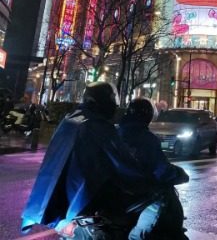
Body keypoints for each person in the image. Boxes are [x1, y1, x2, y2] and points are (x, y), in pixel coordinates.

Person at [21, 82, 157, 239]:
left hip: (57, 207)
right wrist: (149, 179)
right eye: (112, 100)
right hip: (86, 206)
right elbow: (125, 165)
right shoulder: (99, 127)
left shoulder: (69, 120)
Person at [119, 98, 189, 239]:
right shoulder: (145, 138)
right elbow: (162, 171)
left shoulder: (117, 132)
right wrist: (180, 174)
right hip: (139, 191)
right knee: (163, 202)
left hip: (119, 189)